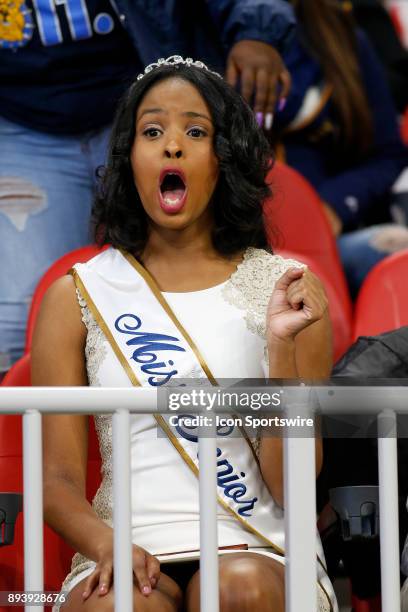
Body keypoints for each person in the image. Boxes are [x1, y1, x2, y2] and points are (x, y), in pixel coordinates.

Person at [32, 56, 337, 611]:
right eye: (153, 131)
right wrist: (106, 544)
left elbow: (294, 489)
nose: (172, 146)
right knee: (121, 604)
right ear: (131, 160)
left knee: (236, 588)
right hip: (124, 544)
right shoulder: (74, 295)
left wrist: (282, 346)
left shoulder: (289, 291)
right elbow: (55, 479)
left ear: (224, 161)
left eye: (195, 132)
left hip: (260, 545)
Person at [0, 0, 294, 376]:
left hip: (144, 96)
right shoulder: (63, 303)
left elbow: (299, 431)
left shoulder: (289, 294)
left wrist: (258, 28)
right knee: (11, 330)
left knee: (216, 295)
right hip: (23, 123)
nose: (172, 149)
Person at [271, 0, 408, 297]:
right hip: (235, 244)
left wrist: (333, 205)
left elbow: (389, 153)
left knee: (398, 252)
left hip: (329, 239)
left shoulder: (343, 36)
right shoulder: (198, 37)